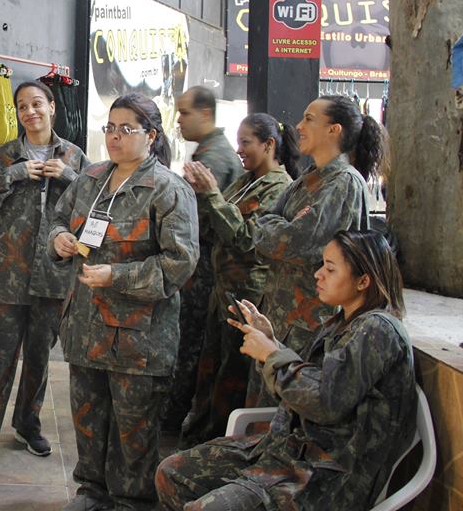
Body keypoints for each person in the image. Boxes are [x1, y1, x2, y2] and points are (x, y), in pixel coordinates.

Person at [156, 230, 417, 511]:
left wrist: (271, 354)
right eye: (322, 265)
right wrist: (272, 343)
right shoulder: (342, 323)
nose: (318, 274)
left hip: (325, 475)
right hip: (289, 450)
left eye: (330, 269)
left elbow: (325, 402)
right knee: (172, 472)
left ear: (363, 281)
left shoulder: (377, 330)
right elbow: (310, 381)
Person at [50, 93, 199, 510]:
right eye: (110, 128)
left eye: (126, 129)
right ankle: (91, 491)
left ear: (151, 136)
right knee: (88, 419)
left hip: (138, 341)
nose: (114, 137)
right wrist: (58, 239)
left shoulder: (168, 190)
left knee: (133, 431)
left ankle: (131, 501)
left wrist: (117, 276)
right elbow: (58, 219)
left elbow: (180, 264)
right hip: (86, 328)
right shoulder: (91, 178)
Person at [0, 81, 89, 465]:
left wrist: (69, 177)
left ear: (52, 107)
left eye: (37, 104)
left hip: (53, 274)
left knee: (39, 356)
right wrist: (13, 174)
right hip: (8, 275)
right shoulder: (2, 157)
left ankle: (28, 423)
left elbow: (95, 206)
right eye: (22, 106)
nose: (30, 112)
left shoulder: (75, 157)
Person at [246, 94, 387, 407]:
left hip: (307, 326)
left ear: (334, 130)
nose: (298, 126)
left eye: (309, 119)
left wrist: (277, 229)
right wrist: (277, 228)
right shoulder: (307, 180)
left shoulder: (343, 182)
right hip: (281, 320)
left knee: (287, 412)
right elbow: (261, 227)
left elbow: (296, 243)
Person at [178, 113, 299, 448]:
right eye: (238, 142)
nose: (239, 150)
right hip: (222, 294)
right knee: (210, 370)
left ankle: (222, 444)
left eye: (246, 142)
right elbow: (214, 226)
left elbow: (248, 240)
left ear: (269, 144)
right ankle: (199, 437)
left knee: (232, 377)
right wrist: (199, 194)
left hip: (248, 297)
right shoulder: (244, 181)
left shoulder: (280, 188)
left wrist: (214, 196)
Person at [164, 85, 243, 434]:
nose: (179, 120)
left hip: (205, 269)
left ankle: (173, 417)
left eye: (185, 113)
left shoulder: (214, 159)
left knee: (190, 345)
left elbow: (194, 220)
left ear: (206, 113)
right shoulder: (209, 152)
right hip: (203, 267)